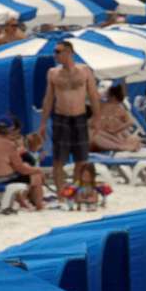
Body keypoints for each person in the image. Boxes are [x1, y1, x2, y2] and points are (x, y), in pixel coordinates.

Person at [43, 38, 100, 200]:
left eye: (58, 52)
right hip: (61, 118)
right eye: (55, 52)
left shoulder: (85, 71)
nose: (55, 55)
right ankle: (61, 194)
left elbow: (94, 95)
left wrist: (97, 118)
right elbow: (48, 99)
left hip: (80, 118)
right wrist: (42, 123)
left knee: (81, 159)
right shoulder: (53, 73)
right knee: (58, 160)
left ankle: (74, 192)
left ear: (69, 53)